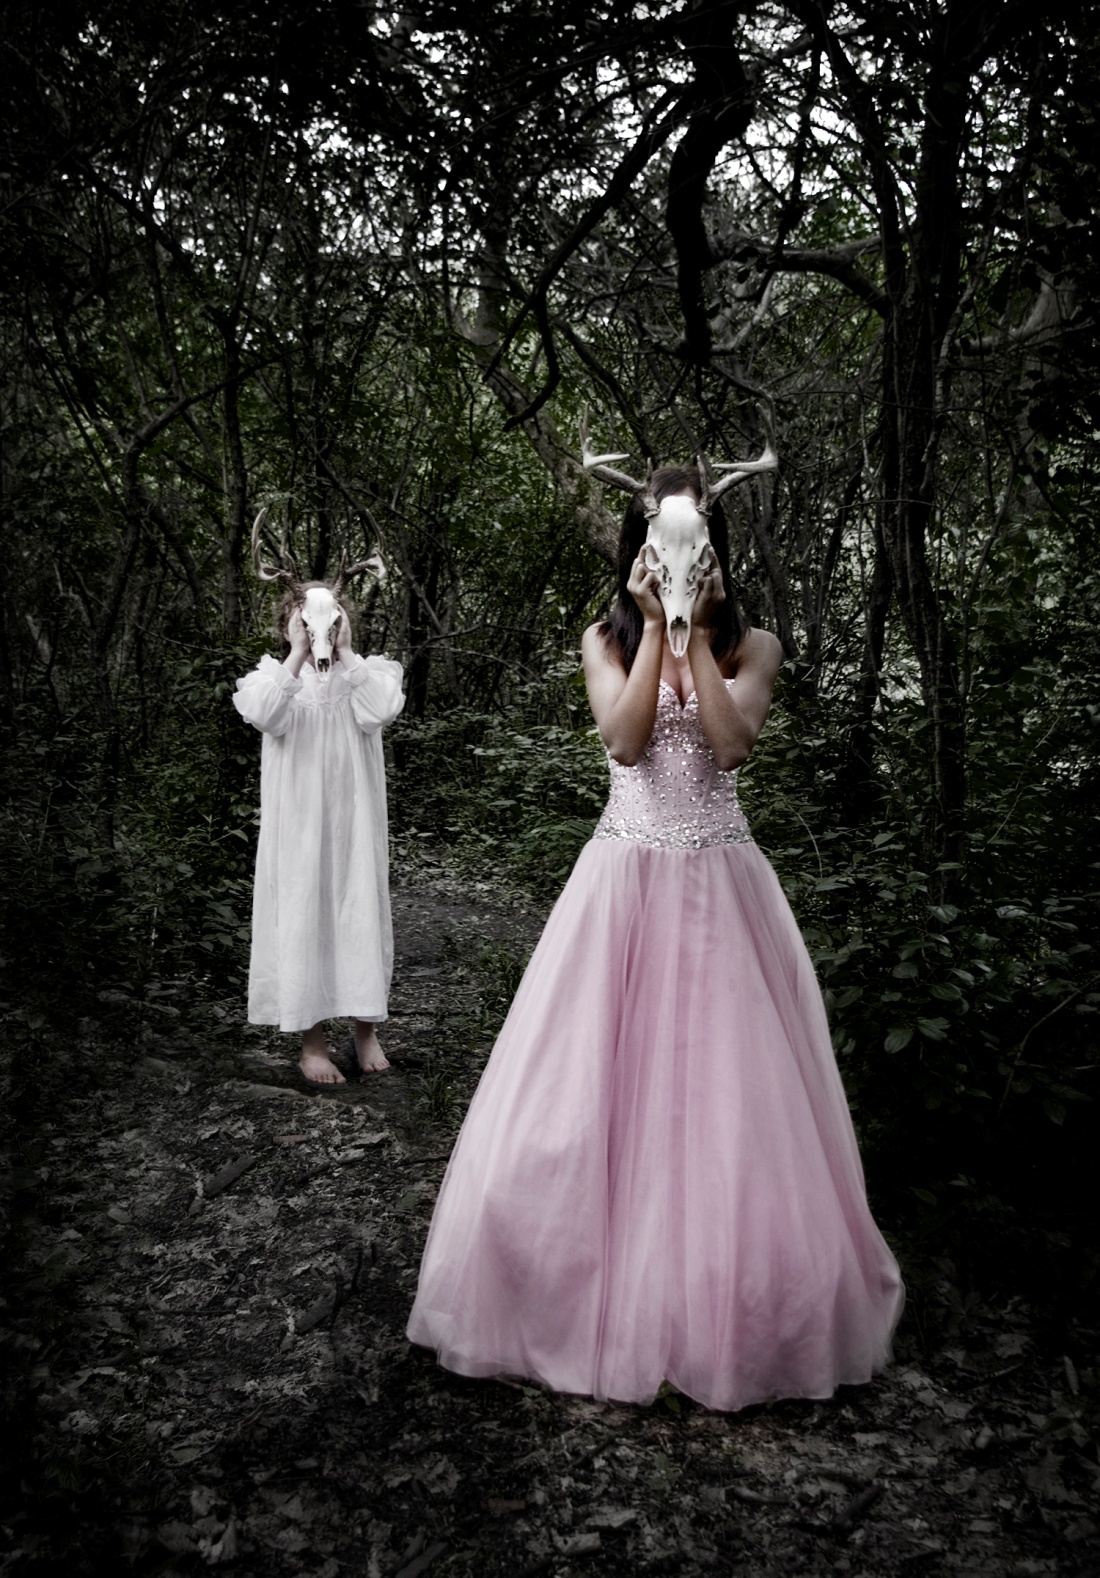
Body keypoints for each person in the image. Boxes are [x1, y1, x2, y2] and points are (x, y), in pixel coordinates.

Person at [406, 467, 903, 1412]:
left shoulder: (757, 644)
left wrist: (696, 637)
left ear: (714, 550)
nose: (675, 559)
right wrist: (649, 629)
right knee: (592, 1085)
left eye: (692, 544)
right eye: (659, 545)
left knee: (726, 1099)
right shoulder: (601, 639)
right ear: (640, 550)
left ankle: (722, 1301)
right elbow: (626, 743)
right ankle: (579, 1287)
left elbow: (731, 745)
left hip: (720, 885)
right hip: (622, 883)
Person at [233, 592, 405, 1088]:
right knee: (302, 914)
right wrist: (297, 653)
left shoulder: (366, 675)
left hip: (354, 820)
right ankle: (312, 1043)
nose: (317, 629)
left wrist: (345, 651)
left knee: (359, 911)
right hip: (298, 824)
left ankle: (366, 1032)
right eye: (305, 620)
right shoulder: (273, 678)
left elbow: (381, 711)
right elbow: (264, 714)